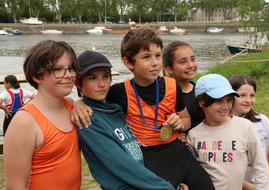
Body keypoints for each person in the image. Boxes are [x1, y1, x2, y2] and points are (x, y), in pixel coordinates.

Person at [72, 28, 215, 190]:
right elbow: (96, 98)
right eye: (146, 57)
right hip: (150, 157)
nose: (154, 62)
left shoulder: (172, 85)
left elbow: (186, 120)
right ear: (128, 62)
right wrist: (78, 102)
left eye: (158, 55)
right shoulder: (119, 92)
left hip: (179, 152)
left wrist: (180, 125)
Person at [75, 50, 176, 190]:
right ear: (78, 83)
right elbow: (122, 164)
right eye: (92, 78)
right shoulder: (88, 119)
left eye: (105, 76)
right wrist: (165, 187)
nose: (102, 84)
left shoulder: (115, 111)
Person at [4, 40, 81, 190]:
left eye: (70, 68)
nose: (69, 75)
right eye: (58, 69)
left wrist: (81, 102)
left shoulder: (71, 106)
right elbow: (14, 186)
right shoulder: (25, 122)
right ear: (36, 76)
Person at [187, 73, 269, 190]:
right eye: (219, 101)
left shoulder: (245, 127)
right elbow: (189, 171)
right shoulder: (193, 135)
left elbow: (260, 165)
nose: (225, 106)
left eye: (229, 100)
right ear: (202, 102)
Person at [229, 74, 269, 190]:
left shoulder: (263, 121)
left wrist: (265, 182)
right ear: (230, 96)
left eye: (252, 95)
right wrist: (251, 188)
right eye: (242, 95)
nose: (248, 100)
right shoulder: (223, 126)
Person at [162, 40, 205, 130]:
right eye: (183, 62)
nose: (190, 65)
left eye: (192, 59)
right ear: (169, 69)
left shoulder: (202, 93)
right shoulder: (163, 95)